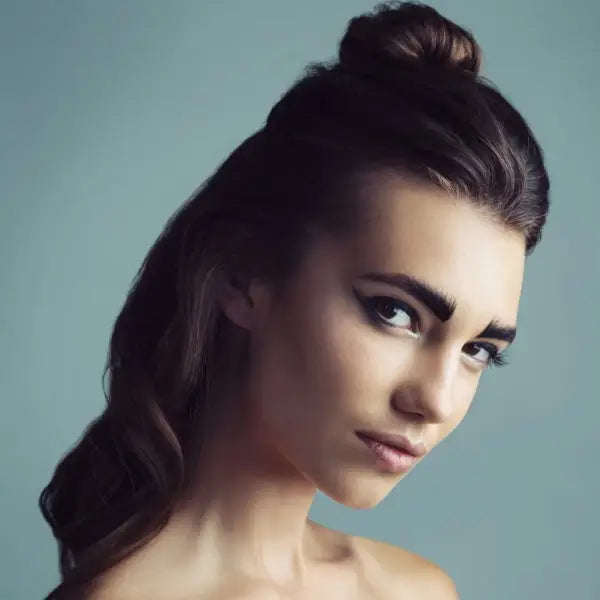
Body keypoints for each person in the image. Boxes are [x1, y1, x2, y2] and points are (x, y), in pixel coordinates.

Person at [39, 2, 550, 598]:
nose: (435, 401)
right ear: (243, 275)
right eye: (395, 312)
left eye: (479, 350)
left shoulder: (419, 592)